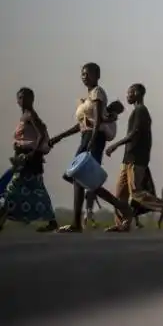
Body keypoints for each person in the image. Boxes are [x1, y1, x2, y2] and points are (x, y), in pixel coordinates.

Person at [49, 63, 133, 233]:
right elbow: (80, 125)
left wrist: (90, 143)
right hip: (86, 137)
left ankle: (122, 208)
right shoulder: (86, 98)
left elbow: (98, 121)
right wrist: (58, 138)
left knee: (88, 180)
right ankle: (77, 223)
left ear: (97, 75)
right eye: (82, 74)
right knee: (77, 178)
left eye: (88, 74)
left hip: (94, 139)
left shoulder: (97, 93)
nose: (84, 76)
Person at [104, 83, 163, 232]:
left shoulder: (141, 111)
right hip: (128, 159)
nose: (127, 96)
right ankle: (122, 224)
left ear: (137, 93)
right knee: (120, 195)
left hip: (136, 159)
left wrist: (115, 145)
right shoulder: (137, 111)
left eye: (129, 93)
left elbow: (134, 134)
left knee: (136, 193)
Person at [0, 88, 58, 233]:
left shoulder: (30, 115)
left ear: (32, 99)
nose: (22, 100)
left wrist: (32, 153)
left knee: (11, 188)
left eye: (26, 97)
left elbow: (41, 134)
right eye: (20, 97)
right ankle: (52, 221)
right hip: (24, 158)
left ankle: (1, 217)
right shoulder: (25, 116)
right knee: (38, 190)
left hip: (28, 159)